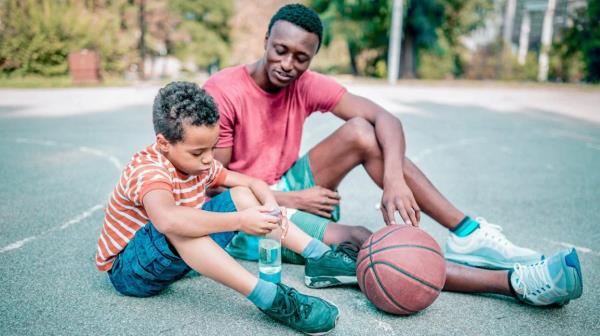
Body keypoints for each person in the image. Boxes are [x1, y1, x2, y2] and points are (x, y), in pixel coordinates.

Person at [203, 4, 583, 306]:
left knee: (361, 132)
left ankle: (467, 233)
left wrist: (394, 182)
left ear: (313, 57)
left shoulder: (303, 82)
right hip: (246, 215)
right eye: (280, 50)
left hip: (285, 184)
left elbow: (385, 118)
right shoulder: (225, 91)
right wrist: (290, 200)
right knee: (371, 244)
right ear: (266, 39)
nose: (288, 64)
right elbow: (214, 190)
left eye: (301, 58)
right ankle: (516, 284)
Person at [94, 81, 359, 334]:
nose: (209, 159)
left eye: (212, 148)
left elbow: (252, 183)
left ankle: (320, 257)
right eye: (198, 152)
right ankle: (269, 297)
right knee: (178, 225)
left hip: (168, 259)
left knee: (242, 194)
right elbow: (167, 220)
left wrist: (268, 205)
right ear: (164, 144)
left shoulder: (198, 164)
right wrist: (240, 221)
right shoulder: (148, 169)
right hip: (131, 271)